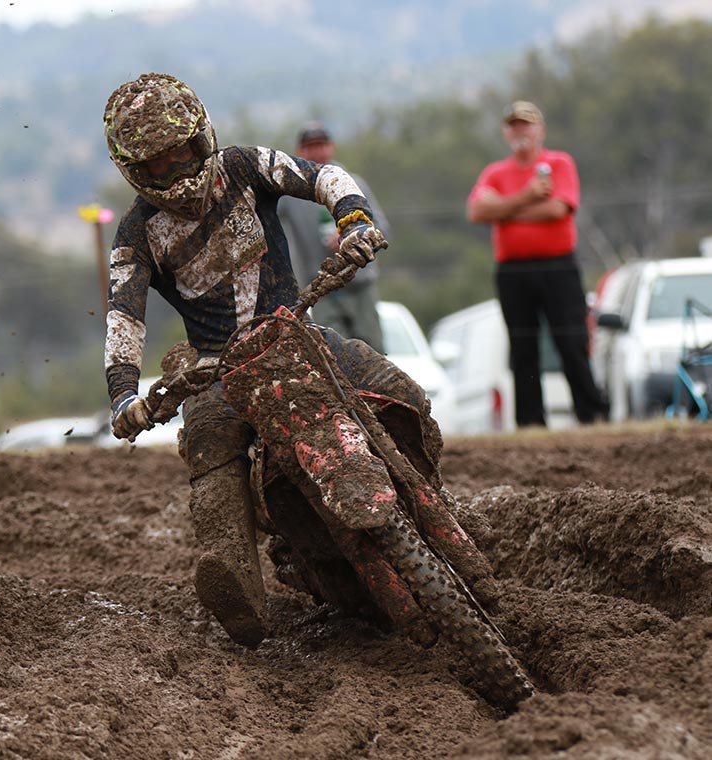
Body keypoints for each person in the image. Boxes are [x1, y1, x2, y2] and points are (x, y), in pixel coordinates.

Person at [102, 73, 435, 648]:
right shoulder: (136, 235)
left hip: (295, 331)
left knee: (403, 392)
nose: (175, 168)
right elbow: (123, 318)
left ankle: (429, 498)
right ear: (136, 171)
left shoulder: (246, 164)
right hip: (217, 370)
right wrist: (125, 397)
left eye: (181, 149)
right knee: (209, 443)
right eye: (158, 163)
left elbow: (323, 175)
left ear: (200, 135)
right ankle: (235, 580)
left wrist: (353, 218)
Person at [467, 101, 608, 428]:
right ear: (506, 132)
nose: (520, 132)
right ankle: (531, 422)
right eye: (514, 126)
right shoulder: (495, 172)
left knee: (570, 340)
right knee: (522, 346)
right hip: (513, 271)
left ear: (539, 130)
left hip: (558, 267)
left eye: (526, 125)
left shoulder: (558, 163)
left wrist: (502, 211)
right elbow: (476, 213)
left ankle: (591, 414)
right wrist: (528, 196)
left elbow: (558, 209)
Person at [278, 121, 388, 352]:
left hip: (360, 287)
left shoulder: (353, 183)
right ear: (300, 152)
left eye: (321, 145)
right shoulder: (290, 194)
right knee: (335, 357)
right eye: (310, 146)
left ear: (331, 147)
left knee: (373, 354)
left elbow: (382, 229)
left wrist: (353, 240)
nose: (317, 152)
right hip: (322, 291)